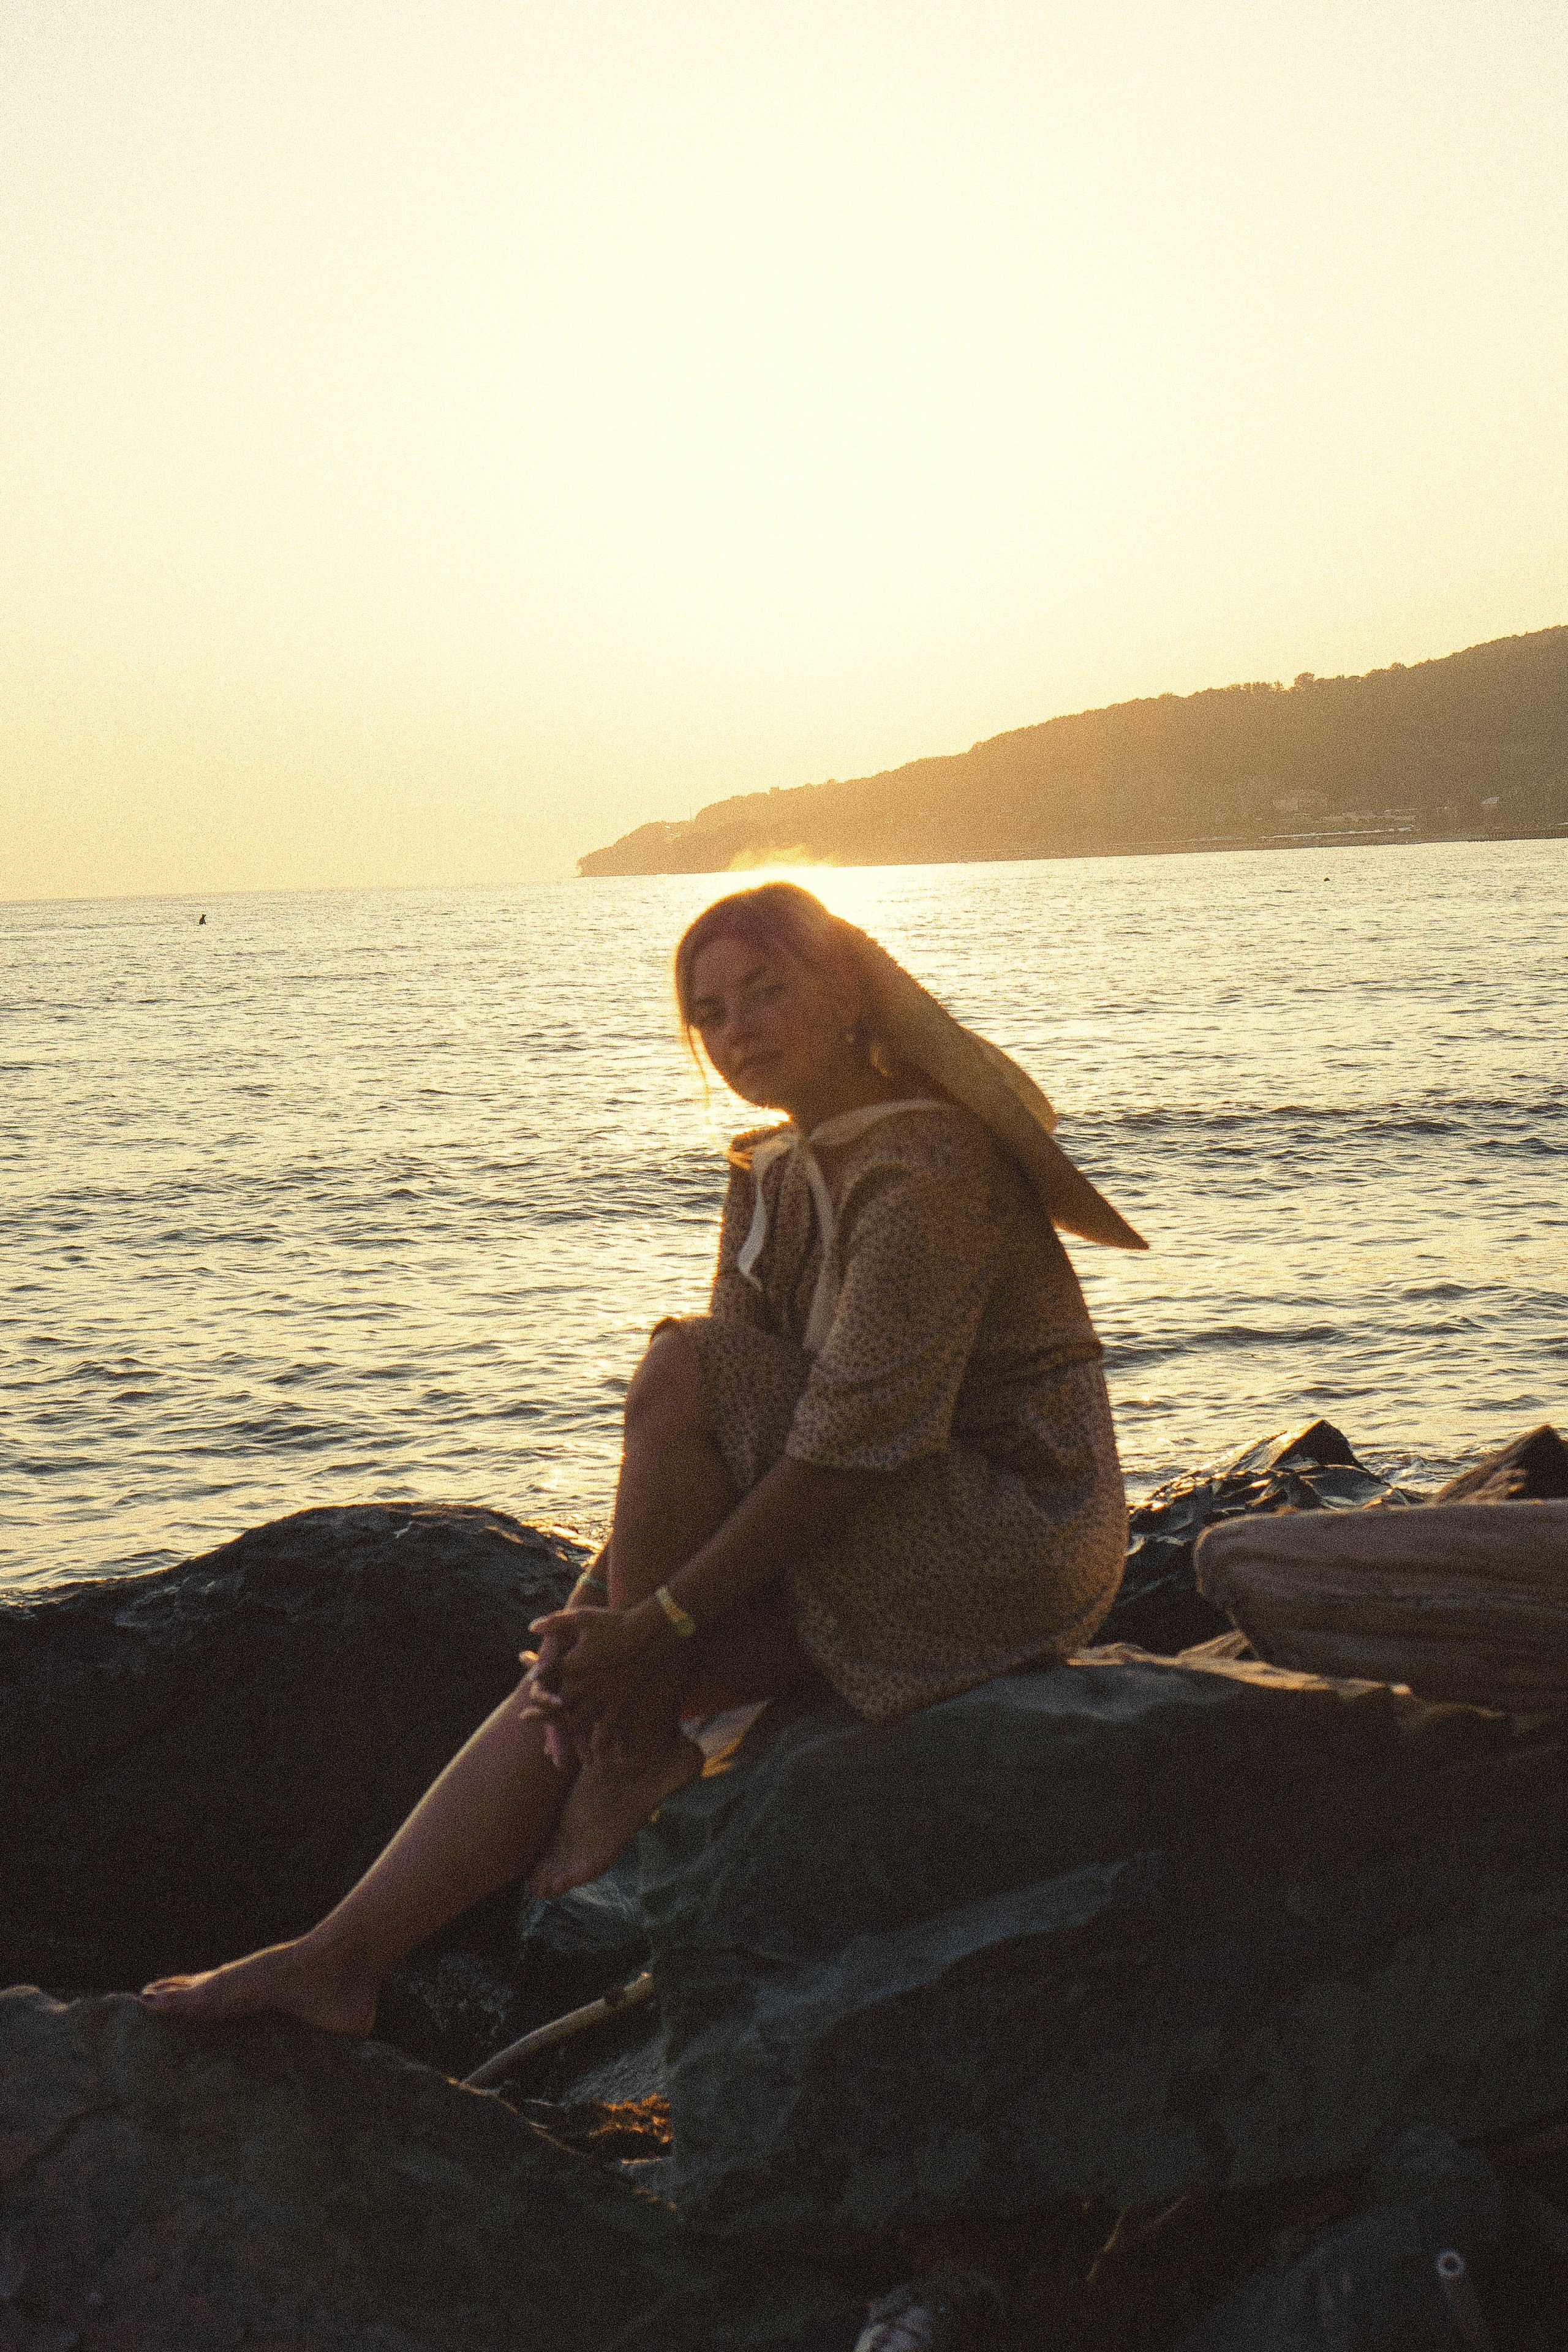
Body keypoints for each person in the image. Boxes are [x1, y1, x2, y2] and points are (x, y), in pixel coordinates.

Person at [140, 883, 1144, 2034]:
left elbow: (844, 1447)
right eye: (711, 1014)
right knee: (572, 1669)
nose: (739, 1031)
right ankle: (340, 1960)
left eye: (767, 992)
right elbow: (731, 1438)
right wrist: (608, 1616)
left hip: (1008, 1536)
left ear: (847, 992)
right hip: (888, 1527)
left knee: (676, 1374)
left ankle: (636, 1743)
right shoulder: (772, 1169)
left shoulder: (928, 1163)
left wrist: (657, 1625)